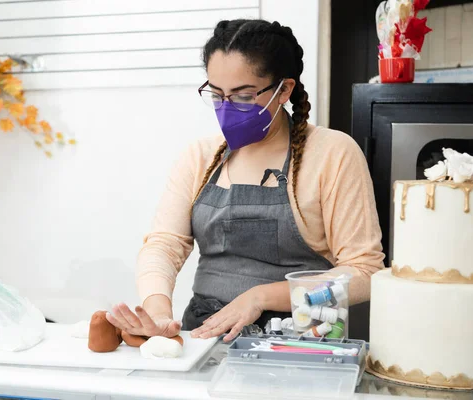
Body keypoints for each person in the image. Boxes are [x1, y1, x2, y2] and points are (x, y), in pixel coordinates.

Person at [106, 19, 384, 343]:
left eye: (242, 96)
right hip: (206, 336)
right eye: (216, 94)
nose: (226, 108)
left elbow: (365, 272)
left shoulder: (332, 154)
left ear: (284, 90)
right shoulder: (199, 157)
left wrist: (261, 297)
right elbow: (164, 245)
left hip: (302, 339)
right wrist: (157, 313)